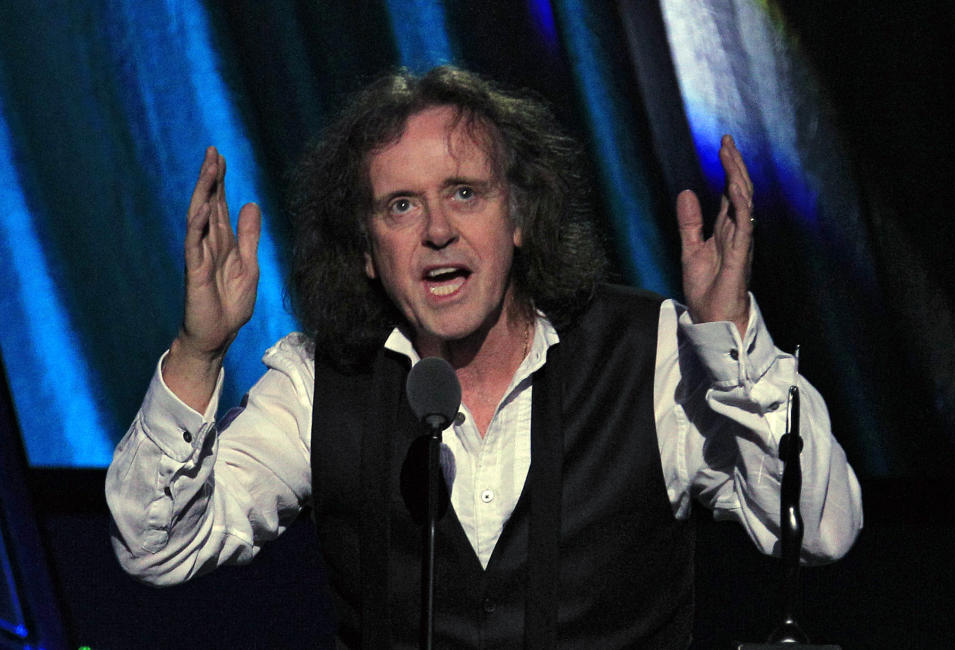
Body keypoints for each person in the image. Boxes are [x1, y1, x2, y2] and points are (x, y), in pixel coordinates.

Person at [106, 66, 862, 648]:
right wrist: (200, 352)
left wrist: (729, 338)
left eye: (464, 193)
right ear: (368, 252)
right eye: (400, 206)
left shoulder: (653, 353)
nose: (436, 229)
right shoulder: (317, 384)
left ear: (521, 218)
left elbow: (818, 529)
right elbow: (155, 549)